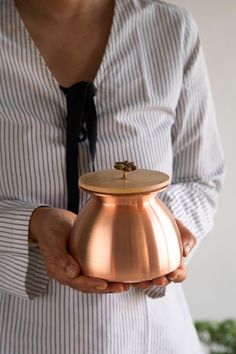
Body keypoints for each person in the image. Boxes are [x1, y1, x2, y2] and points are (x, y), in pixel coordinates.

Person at [0, 0, 224, 353]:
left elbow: (202, 178)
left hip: (154, 336)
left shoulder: (169, 28)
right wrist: (31, 225)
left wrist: (161, 237)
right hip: (23, 333)